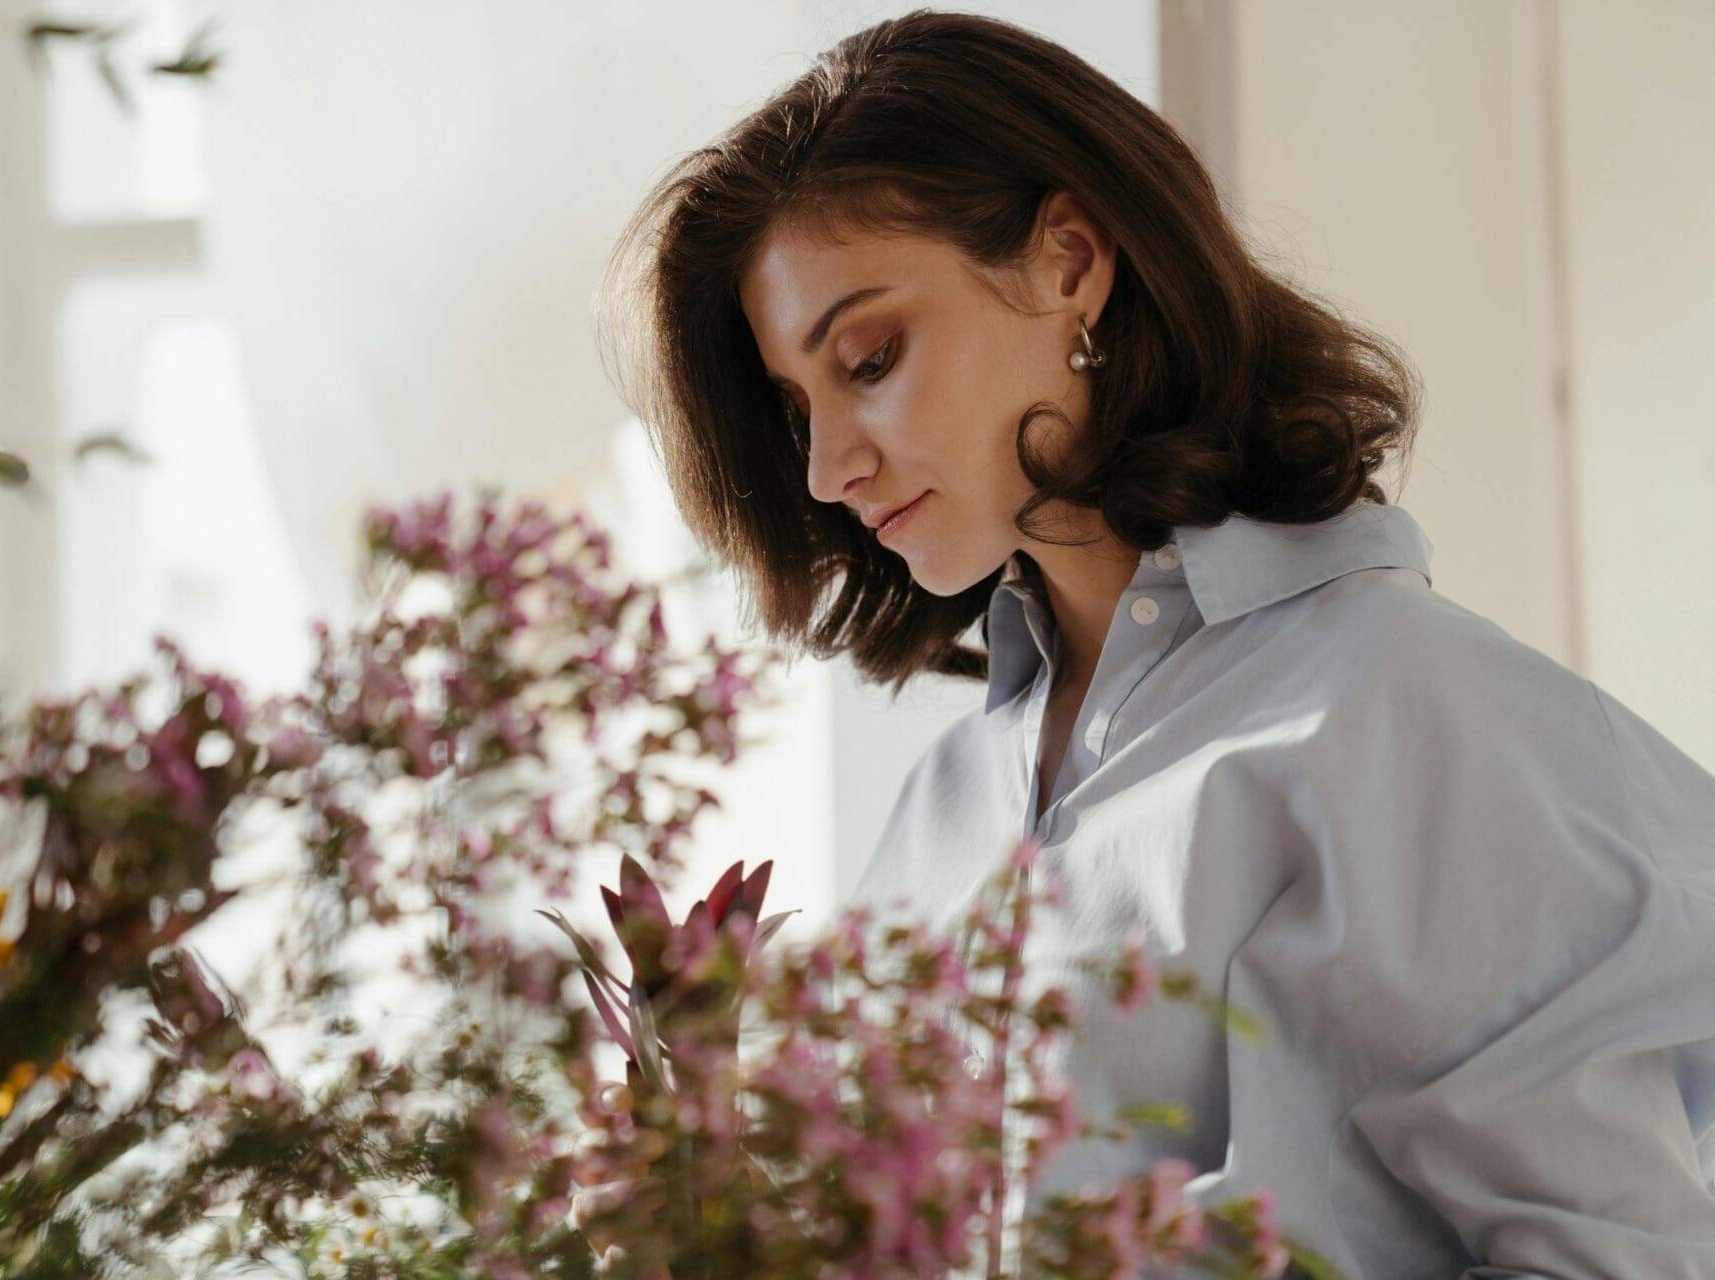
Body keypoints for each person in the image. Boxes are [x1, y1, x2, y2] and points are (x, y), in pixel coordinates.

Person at [595, 8, 1715, 1276]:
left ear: (1071, 258)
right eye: (796, 407)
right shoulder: (942, 815)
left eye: (869, 356)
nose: (827, 466)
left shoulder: (1408, 713)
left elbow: (1622, 1257)